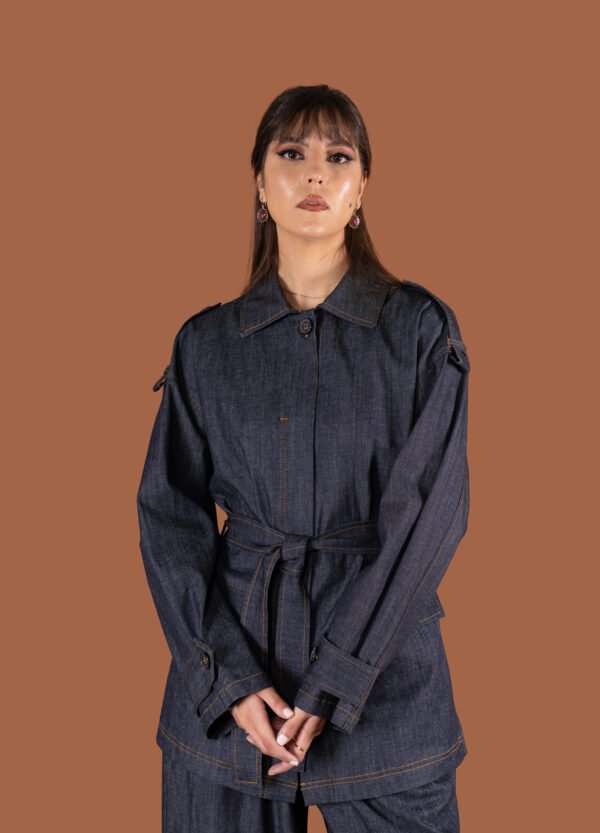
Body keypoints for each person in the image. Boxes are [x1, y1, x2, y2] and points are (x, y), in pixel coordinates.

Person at [137, 84, 471, 832]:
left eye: (338, 156)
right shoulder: (205, 343)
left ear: (362, 189)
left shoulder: (419, 331)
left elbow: (430, 515)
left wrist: (340, 676)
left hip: (387, 684)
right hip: (230, 693)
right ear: (259, 183)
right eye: (292, 153)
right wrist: (225, 678)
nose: (315, 172)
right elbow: (168, 520)